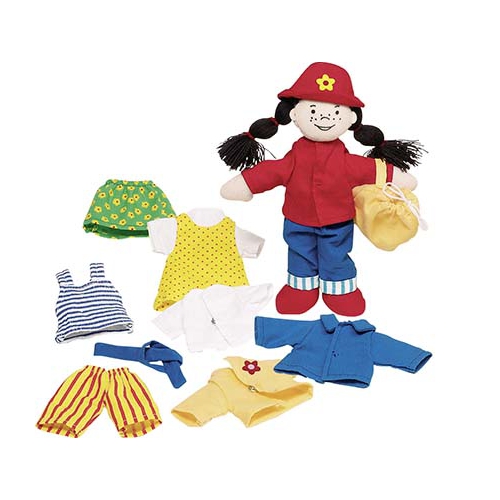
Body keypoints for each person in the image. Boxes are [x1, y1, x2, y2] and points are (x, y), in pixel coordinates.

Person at [218, 62, 422, 316]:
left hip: (338, 222)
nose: (324, 118)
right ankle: (300, 288)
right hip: (297, 220)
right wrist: (247, 183)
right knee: (299, 253)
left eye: (336, 111)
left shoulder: (346, 162)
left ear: (350, 118)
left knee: (336, 255)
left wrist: (396, 177)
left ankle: (340, 289)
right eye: (313, 110)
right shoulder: (294, 158)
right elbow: (272, 171)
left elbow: (370, 169)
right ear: (294, 114)